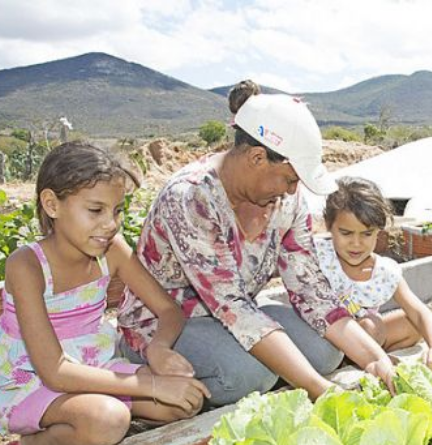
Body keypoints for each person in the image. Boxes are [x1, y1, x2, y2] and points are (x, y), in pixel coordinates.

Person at [117, 81, 395, 404]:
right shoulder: (192, 198)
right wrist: (322, 392)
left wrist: (376, 359)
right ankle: (149, 387)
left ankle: (270, 375)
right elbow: (232, 305)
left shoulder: (285, 203)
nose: (293, 191)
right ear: (257, 158)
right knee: (250, 375)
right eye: (290, 179)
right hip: (166, 325)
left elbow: (311, 289)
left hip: (235, 316)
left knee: (326, 352)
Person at [0, 142, 209, 445]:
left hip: (93, 365)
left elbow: (169, 310)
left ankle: (83, 420)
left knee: (184, 403)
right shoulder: (27, 265)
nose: (111, 224)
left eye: (117, 211)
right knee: (108, 420)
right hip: (30, 379)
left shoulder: (112, 251)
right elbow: (54, 371)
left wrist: (158, 349)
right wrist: (151, 383)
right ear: (52, 204)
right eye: (96, 210)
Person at [316, 177, 432, 370]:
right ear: (329, 226)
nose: (356, 243)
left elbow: (419, 312)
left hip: (367, 338)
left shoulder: (384, 272)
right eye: (346, 233)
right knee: (367, 327)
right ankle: (361, 360)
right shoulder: (319, 255)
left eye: (366, 234)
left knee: (409, 324)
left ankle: (369, 360)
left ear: (379, 231)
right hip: (326, 338)